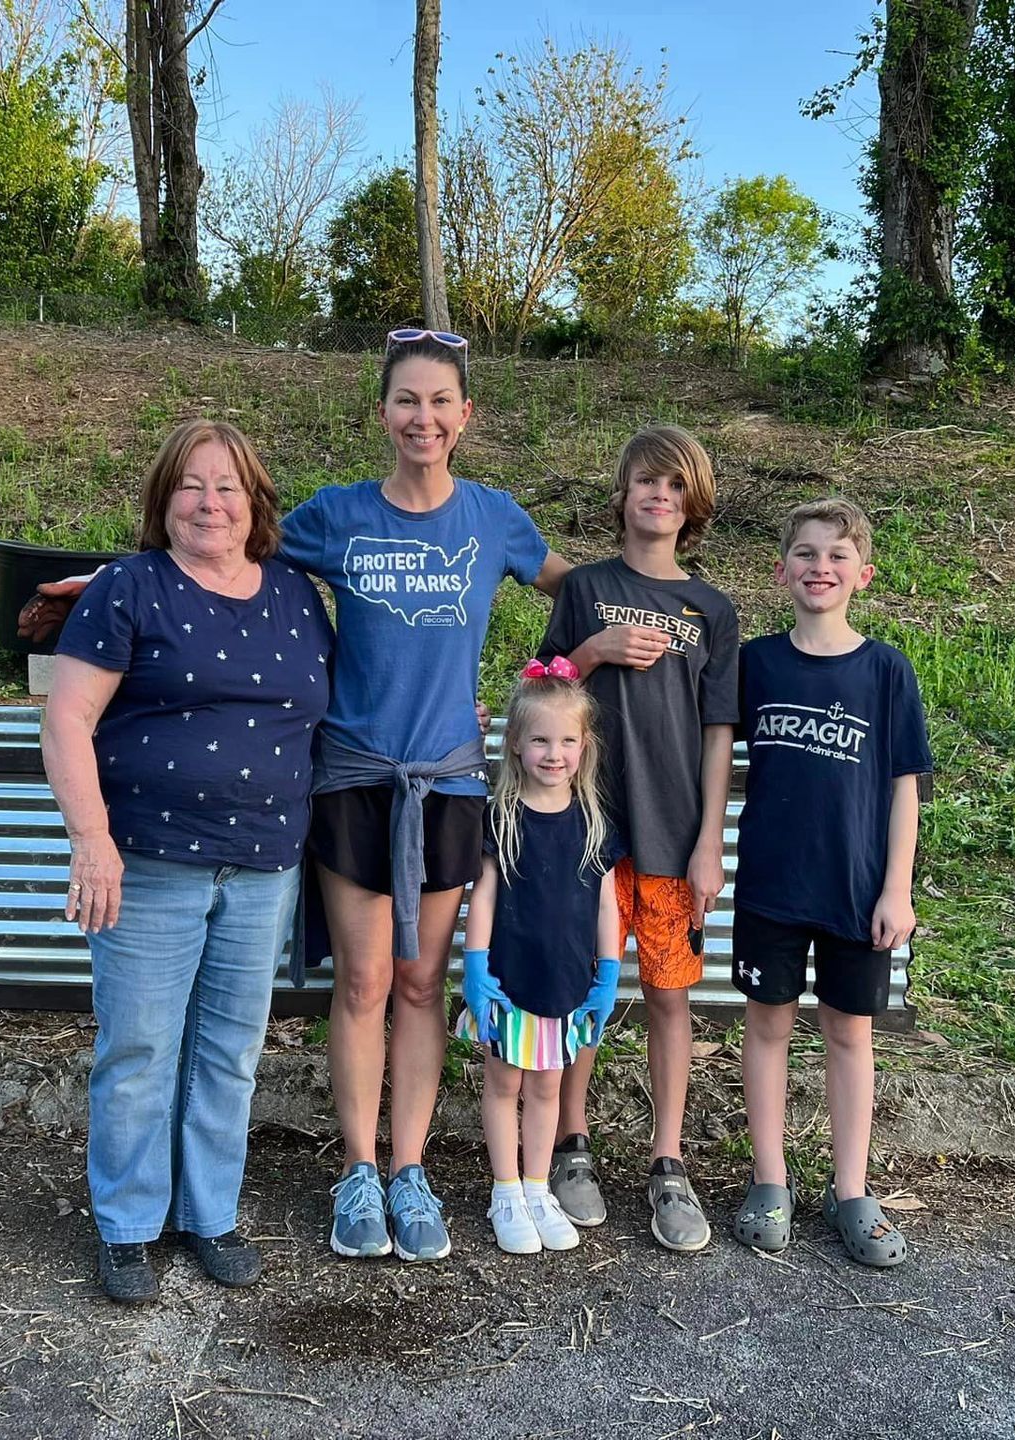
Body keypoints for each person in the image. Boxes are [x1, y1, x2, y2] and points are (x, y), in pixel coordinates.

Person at [277, 328, 573, 1263]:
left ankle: (411, 1172)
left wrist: (586, 656)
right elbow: (236, 564)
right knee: (363, 982)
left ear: (465, 417)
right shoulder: (337, 516)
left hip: (447, 780)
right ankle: (358, 1173)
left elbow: (577, 591)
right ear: (383, 413)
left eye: (441, 401)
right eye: (408, 399)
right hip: (357, 778)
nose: (424, 417)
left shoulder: (492, 518)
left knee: (420, 984)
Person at [40, 419, 334, 1304]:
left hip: (264, 864)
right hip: (148, 860)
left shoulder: (294, 595)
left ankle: (210, 1213)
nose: (211, 503)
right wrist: (89, 839)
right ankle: (128, 1225)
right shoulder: (129, 590)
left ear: (256, 505)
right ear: (162, 502)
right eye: (191, 486)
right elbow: (65, 721)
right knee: (138, 1048)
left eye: (228, 487)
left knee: (230, 1050)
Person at [535, 424, 739, 1254]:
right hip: (586, 832)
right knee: (585, 987)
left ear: (693, 507)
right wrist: (592, 649)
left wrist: (708, 843)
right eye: (646, 483)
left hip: (672, 833)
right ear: (620, 497)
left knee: (667, 994)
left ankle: (668, 1159)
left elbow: (720, 731)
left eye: (676, 487)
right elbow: (538, 694)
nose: (660, 496)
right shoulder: (584, 588)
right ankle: (571, 1144)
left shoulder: (713, 609)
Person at [728, 498, 932, 1269]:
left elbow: (905, 784)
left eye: (837, 556)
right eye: (807, 554)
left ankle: (851, 1189)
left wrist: (897, 889)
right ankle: (770, 1181)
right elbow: (713, 751)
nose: (821, 567)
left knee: (850, 1032)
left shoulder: (885, 670)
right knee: (769, 1026)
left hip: (856, 890)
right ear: (782, 570)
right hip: (772, 886)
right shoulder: (757, 662)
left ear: (863, 575)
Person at [455, 660, 623, 1254]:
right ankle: (505, 1189)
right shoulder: (499, 817)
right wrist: (475, 970)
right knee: (504, 1083)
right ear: (517, 745)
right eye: (541, 740)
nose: (555, 754)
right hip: (510, 980)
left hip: (569, 983)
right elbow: (483, 897)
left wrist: (608, 975)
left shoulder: (595, 820)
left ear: (585, 745)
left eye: (567, 741)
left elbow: (606, 902)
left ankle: (536, 1186)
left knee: (549, 1087)